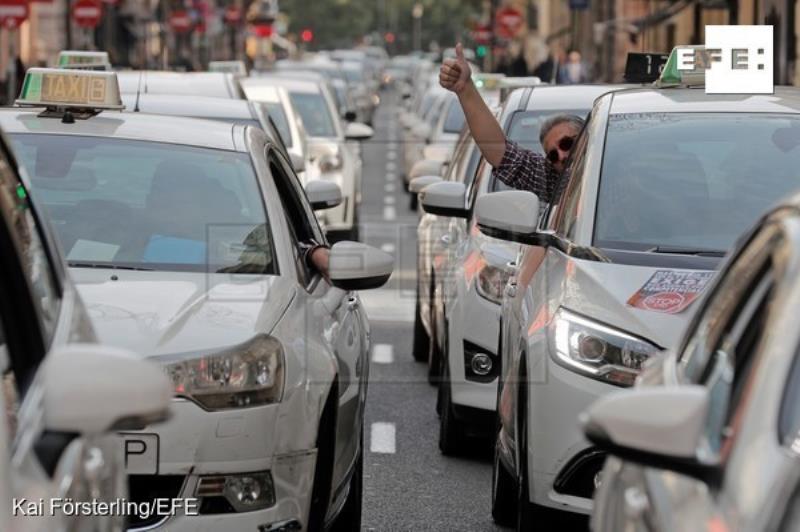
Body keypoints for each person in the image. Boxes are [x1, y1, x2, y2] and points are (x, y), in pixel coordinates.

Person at [439, 43, 584, 204]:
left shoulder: (607, 160)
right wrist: (465, 89)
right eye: (553, 156)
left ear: (586, 138)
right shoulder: (555, 183)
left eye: (566, 143)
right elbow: (500, 153)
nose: (562, 156)